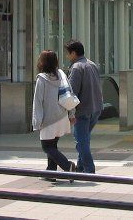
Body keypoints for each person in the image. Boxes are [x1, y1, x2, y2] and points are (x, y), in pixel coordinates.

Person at [32, 50, 77, 180]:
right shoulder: (61, 75)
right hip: (62, 117)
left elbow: (38, 101)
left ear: (42, 62)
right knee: (52, 145)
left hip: (48, 120)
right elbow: (69, 93)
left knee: (47, 147)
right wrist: (71, 113)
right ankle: (51, 173)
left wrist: (37, 121)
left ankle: (68, 166)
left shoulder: (41, 79)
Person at [66, 40, 103, 174]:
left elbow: (72, 92)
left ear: (73, 53)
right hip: (96, 108)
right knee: (84, 139)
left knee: (81, 142)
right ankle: (80, 167)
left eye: (68, 53)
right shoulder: (92, 64)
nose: (67, 56)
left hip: (82, 110)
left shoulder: (76, 67)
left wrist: (70, 112)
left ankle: (89, 169)